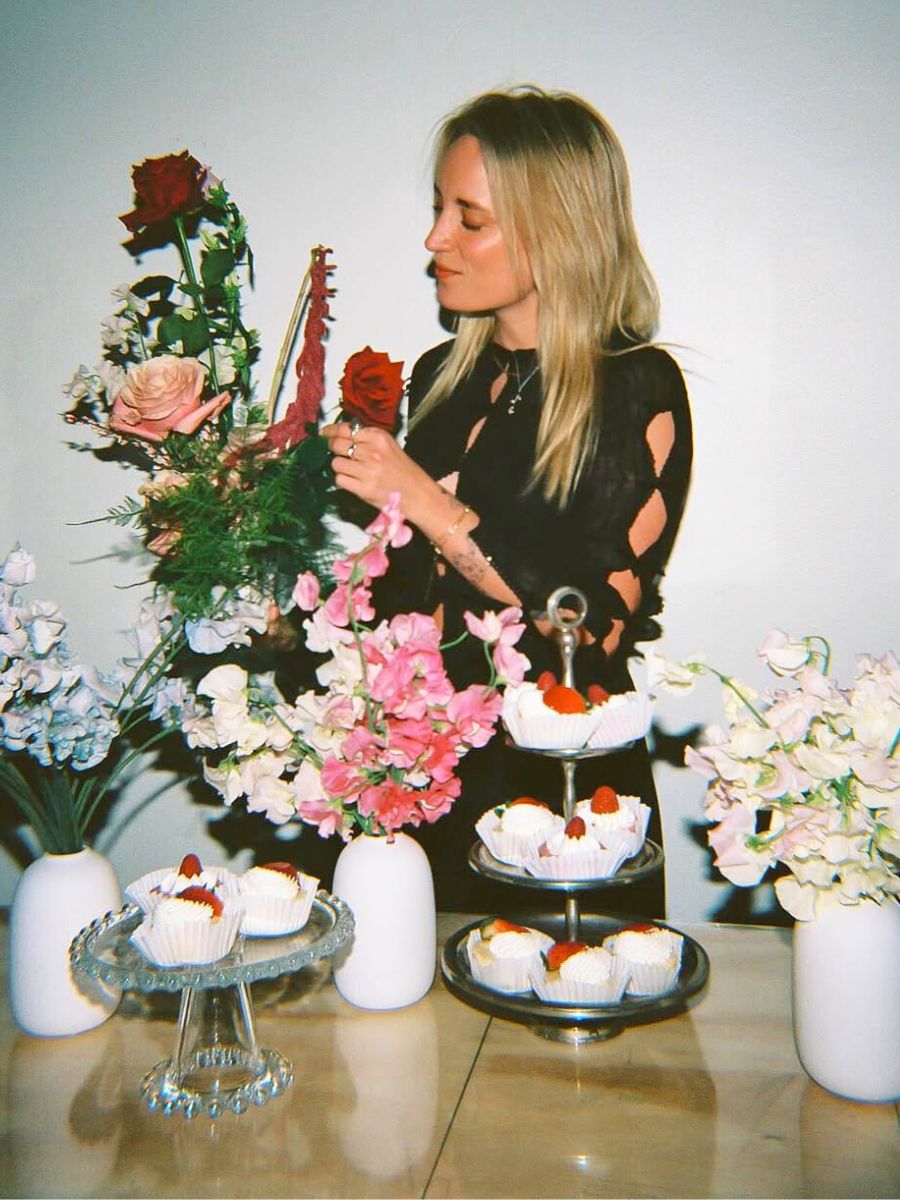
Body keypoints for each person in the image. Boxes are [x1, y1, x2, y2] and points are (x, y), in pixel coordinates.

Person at [323, 86, 692, 916]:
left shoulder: (636, 387)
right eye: (437, 209)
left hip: (554, 801)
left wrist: (427, 503)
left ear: (556, 233)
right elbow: (400, 601)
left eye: (469, 217)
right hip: (416, 777)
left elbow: (590, 630)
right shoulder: (440, 379)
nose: (434, 239)